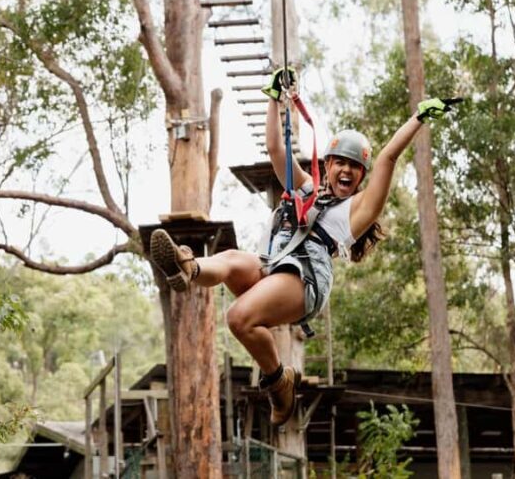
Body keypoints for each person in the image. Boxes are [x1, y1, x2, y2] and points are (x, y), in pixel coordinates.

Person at [150, 68, 458, 426]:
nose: (346, 171)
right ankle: (188, 268)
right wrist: (274, 96)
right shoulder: (307, 186)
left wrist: (418, 118)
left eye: (355, 168)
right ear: (327, 165)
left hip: (306, 278)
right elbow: (275, 148)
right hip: (273, 264)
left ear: (361, 176)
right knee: (233, 259)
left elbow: (388, 157)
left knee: (237, 318)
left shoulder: (358, 210)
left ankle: (280, 381)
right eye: (340, 162)